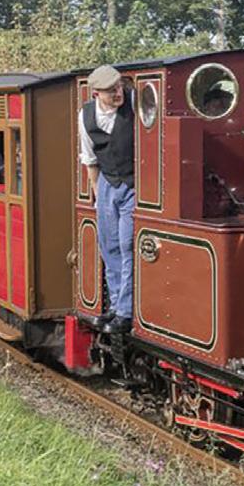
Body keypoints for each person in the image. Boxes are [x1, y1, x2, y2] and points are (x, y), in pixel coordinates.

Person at [79, 64, 136, 334]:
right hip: (106, 183)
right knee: (109, 246)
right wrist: (98, 196)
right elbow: (89, 158)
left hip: (133, 183)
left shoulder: (134, 105)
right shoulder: (86, 115)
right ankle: (115, 304)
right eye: (111, 91)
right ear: (96, 94)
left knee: (127, 245)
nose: (118, 93)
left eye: (119, 87)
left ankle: (125, 311)